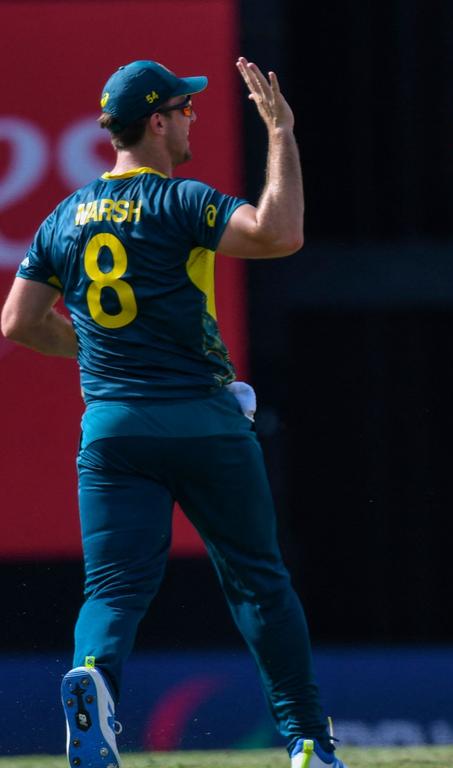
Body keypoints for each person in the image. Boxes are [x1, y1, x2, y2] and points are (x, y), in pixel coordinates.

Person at [1, 59, 346, 768]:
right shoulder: (178, 200)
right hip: (201, 422)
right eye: (184, 108)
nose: (192, 117)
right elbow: (278, 234)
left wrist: (102, 351)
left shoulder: (62, 216)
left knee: (113, 589)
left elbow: (17, 322)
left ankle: (93, 681)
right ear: (156, 122)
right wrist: (280, 134)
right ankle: (309, 740)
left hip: (112, 430)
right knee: (258, 580)